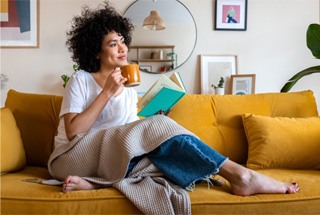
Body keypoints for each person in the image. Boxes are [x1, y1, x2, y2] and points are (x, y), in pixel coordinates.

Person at [48, 1, 299, 198]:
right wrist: (106, 93)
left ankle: (96, 184)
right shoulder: (81, 79)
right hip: (70, 158)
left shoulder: (127, 89)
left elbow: (126, 134)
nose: (122, 48)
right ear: (95, 51)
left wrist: (154, 120)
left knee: (163, 153)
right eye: (113, 44)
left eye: (122, 41)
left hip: (109, 158)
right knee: (159, 144)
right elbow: (73, 132)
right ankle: (242, 175)